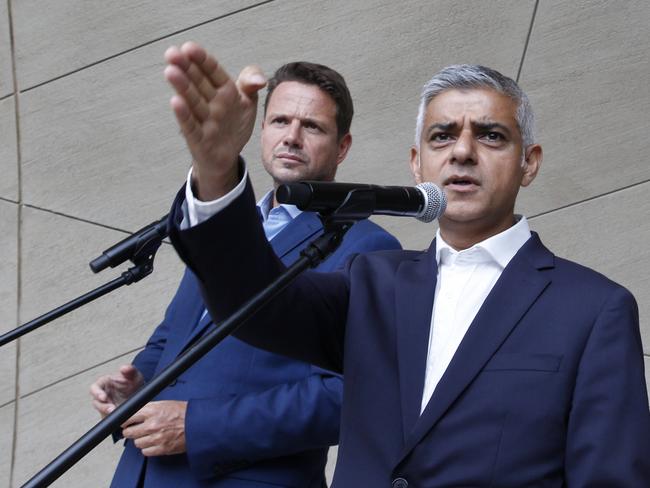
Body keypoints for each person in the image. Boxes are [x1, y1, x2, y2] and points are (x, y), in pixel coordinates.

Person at [166, 43, 650, 486]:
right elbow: (249, 300)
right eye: (442, 136)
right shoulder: (373, 283)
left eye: (490, 135)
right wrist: (216, 169)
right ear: (417, 163)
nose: (462, 151)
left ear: (529, 162)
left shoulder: (594, 309)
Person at [89, 49, 400, 487]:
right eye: (279, 121)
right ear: (260, 132)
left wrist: (197, 426)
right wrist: (139, 382)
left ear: (342, 146)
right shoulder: (228, 227)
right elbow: (175, 335)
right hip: (142, 474)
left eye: (311, 126)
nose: (291, 136)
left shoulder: (369, 247)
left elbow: (348, 395)